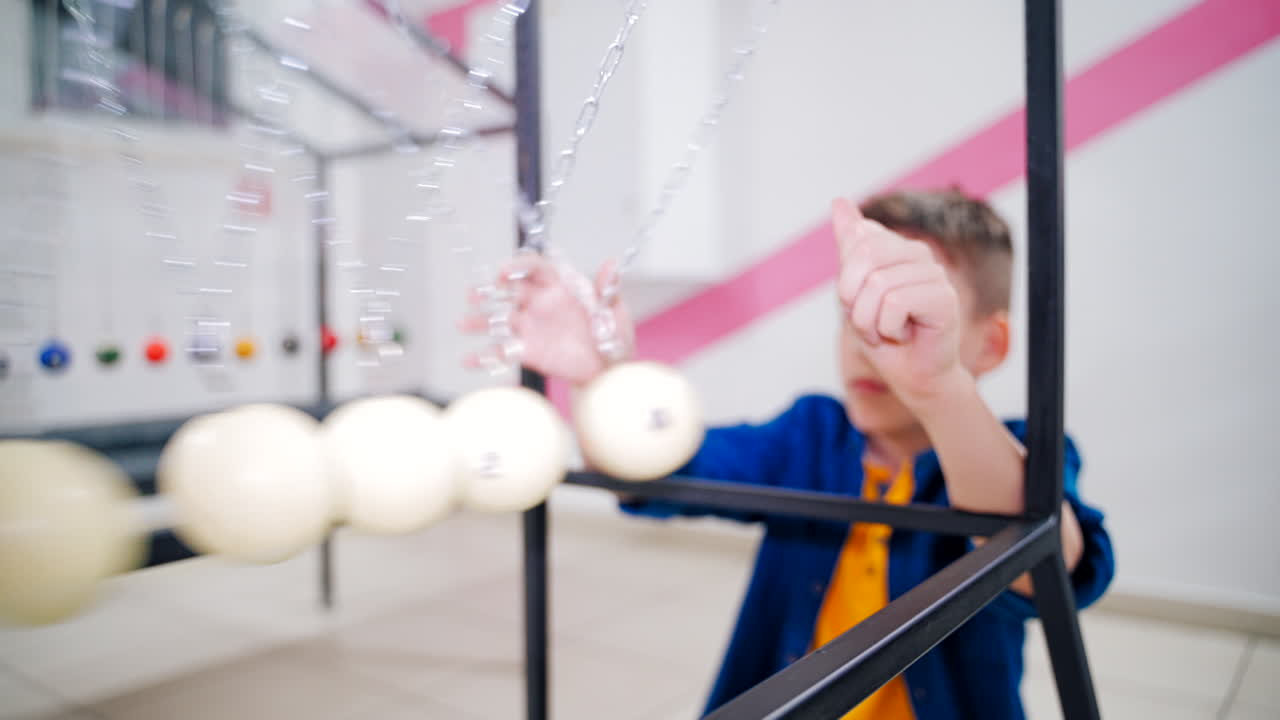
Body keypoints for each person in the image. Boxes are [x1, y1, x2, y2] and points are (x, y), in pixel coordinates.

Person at [460, 188, 1115, 720]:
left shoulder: (1019, 453)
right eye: (851, 316)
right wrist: (601, 382)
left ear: (990, 345)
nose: (868, 345)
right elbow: (661, 469)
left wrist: (939, 389)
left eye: (903, 321)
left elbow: (1050, 566)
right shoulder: (811, 435)